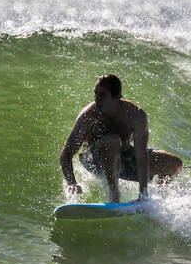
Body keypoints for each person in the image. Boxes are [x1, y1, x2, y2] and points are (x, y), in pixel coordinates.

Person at [60, 74, 183, 203]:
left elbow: (141, 156)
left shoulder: (136, 115)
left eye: (102, 95)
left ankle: (161, 193)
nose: (97, 99)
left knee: (174, 163)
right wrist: (71, 182)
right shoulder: (88, 116)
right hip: (94, 161)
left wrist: (143, 194)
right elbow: (66, 153)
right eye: (95, 94)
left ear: (117, 97)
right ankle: (114, 196)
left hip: (124, 159)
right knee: (112, 140)